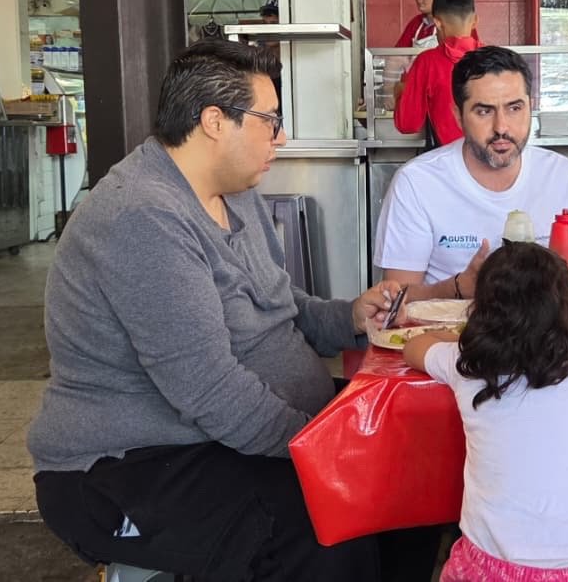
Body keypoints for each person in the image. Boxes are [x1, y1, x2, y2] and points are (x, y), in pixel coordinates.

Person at [27, 40, 396, 581]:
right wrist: (322, 446)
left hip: (225, 440)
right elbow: (208, 388)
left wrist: (349, 318)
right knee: (326, 522)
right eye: (270, 120)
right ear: (215, 121)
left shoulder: (233, 192)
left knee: (401, 470)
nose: (281, 137)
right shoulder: (142, 218)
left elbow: (278, 305)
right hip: (129, 464)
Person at [403, 240, 568, 581]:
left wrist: (465, 338)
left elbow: (414, 346)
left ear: (481, 308)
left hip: (490, 572)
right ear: (567, 305)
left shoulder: (466, 364)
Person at [374, 46, 568, 301]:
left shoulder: (561, 175)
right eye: (484, 111)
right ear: (458, 116)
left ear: (530, 107)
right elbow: (395, 300)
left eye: (514, 108)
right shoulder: (417, 182)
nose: (501, 127)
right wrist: (458, 287)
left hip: (544, 325)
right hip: (450, 326)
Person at [394, 0, 482, 147]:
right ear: (475, 20)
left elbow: (408, 124)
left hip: (450, 158)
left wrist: (400, 92)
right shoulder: (495, 58)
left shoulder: (427, 62)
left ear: (438, 23)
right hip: (493, 157)